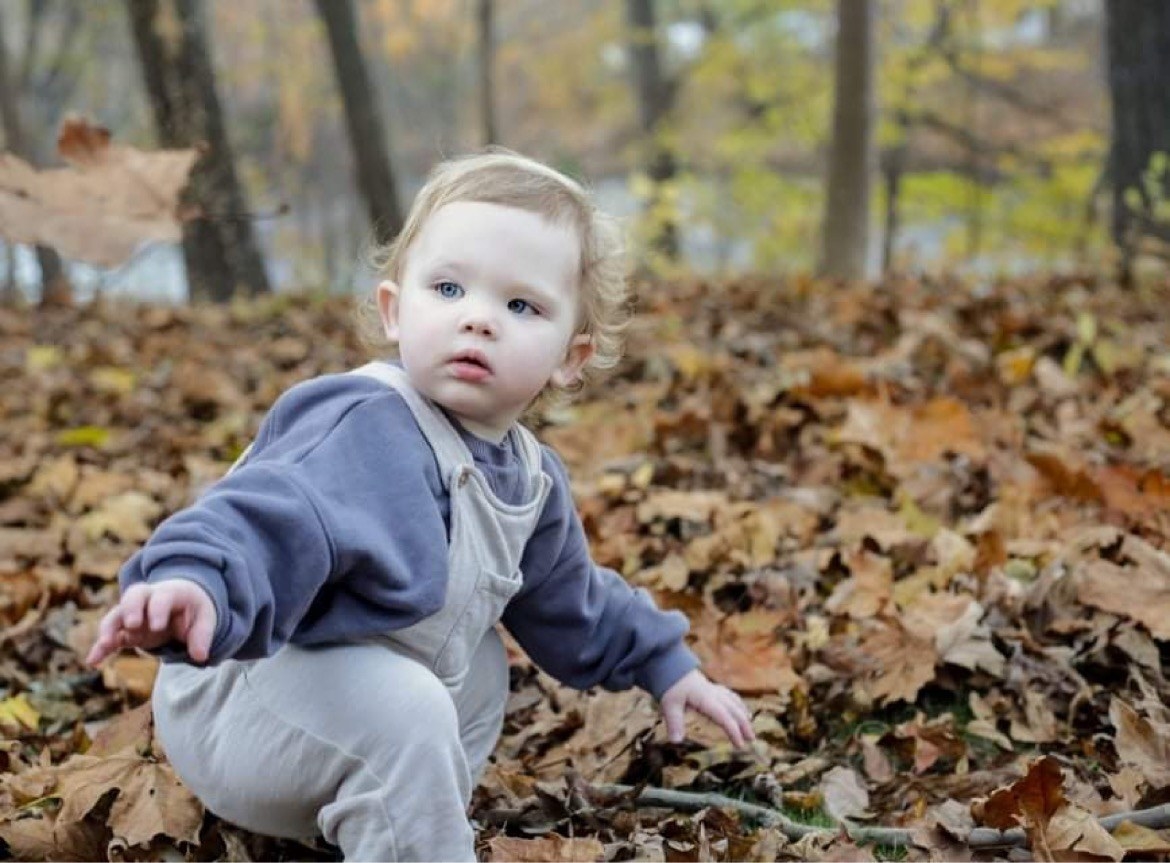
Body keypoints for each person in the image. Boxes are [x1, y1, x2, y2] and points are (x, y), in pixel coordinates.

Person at [86, 150, 754, 861]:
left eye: (520, 305)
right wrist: (195, 580)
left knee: (483, 665)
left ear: (571, 355)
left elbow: (575, 606)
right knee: (411, 702)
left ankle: (396, 824)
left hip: (341, 700)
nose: (478, 320)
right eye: (448, 288)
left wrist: (665, 664)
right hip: (241, 690)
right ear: (395, 310)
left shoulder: (530, 480)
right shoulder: (362, 421)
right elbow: (262, 514)